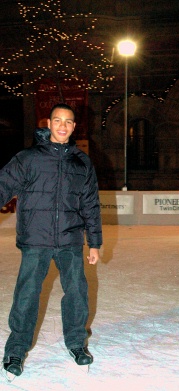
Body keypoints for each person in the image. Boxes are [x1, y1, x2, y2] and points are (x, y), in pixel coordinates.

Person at [0, 103, 102, 379]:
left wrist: (94, 242)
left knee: (78, 294)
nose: (62, 126)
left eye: (68, 122)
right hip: (36, 238)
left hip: (70, 238)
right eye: (57, 120)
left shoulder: (82, 163)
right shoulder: (28, 158)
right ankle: (16, 350)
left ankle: (77, 344)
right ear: (49, 123)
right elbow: (3, 186)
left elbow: (91, 204)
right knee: (27, 296)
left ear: (73, 127)